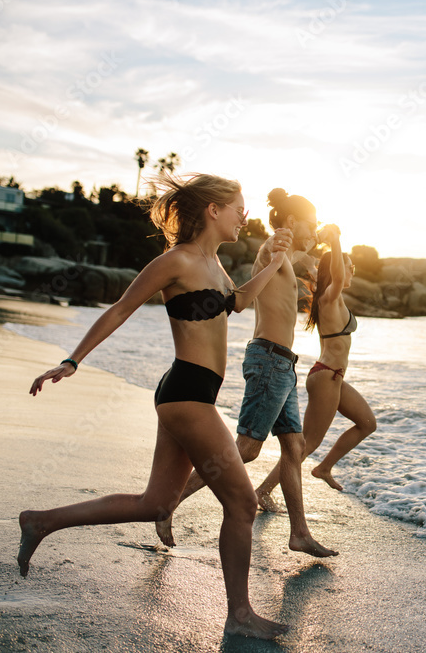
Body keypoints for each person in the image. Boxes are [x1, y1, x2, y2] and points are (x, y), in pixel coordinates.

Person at [19, 174, 290, 640]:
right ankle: (240, 614)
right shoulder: (176, 261)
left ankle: (41, 521)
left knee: (156, 503)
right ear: (212, 210)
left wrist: (275, 262)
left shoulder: (214, 265)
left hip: (191, 393)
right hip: (186, 394)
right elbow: (121, 308)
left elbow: (240, 303)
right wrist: (71, 361)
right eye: (238, 208)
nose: (244, 217)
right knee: (243, 504)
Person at [155, 189, 337, 558]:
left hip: (283, 363)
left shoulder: (288, 255)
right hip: (269, 361)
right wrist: (280, 241)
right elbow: (273, 255)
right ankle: (167, 505)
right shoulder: (273, 249)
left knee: (293, 446)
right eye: (310, 223)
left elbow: (303, 258)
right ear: (290, 223)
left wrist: (324, 242)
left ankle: (299, 533)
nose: (314, 230)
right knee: (247, 450)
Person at [255, 223, 376, 499]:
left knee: (367, 423)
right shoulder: (329, 297)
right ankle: (262, 491)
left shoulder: (334, 299)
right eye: (349, 266)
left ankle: (324, 468)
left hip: (334, 377)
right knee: (304, 446)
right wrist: (335, 241)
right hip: (326, 377)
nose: (352, 272)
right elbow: (332, 271)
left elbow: (324, 267)